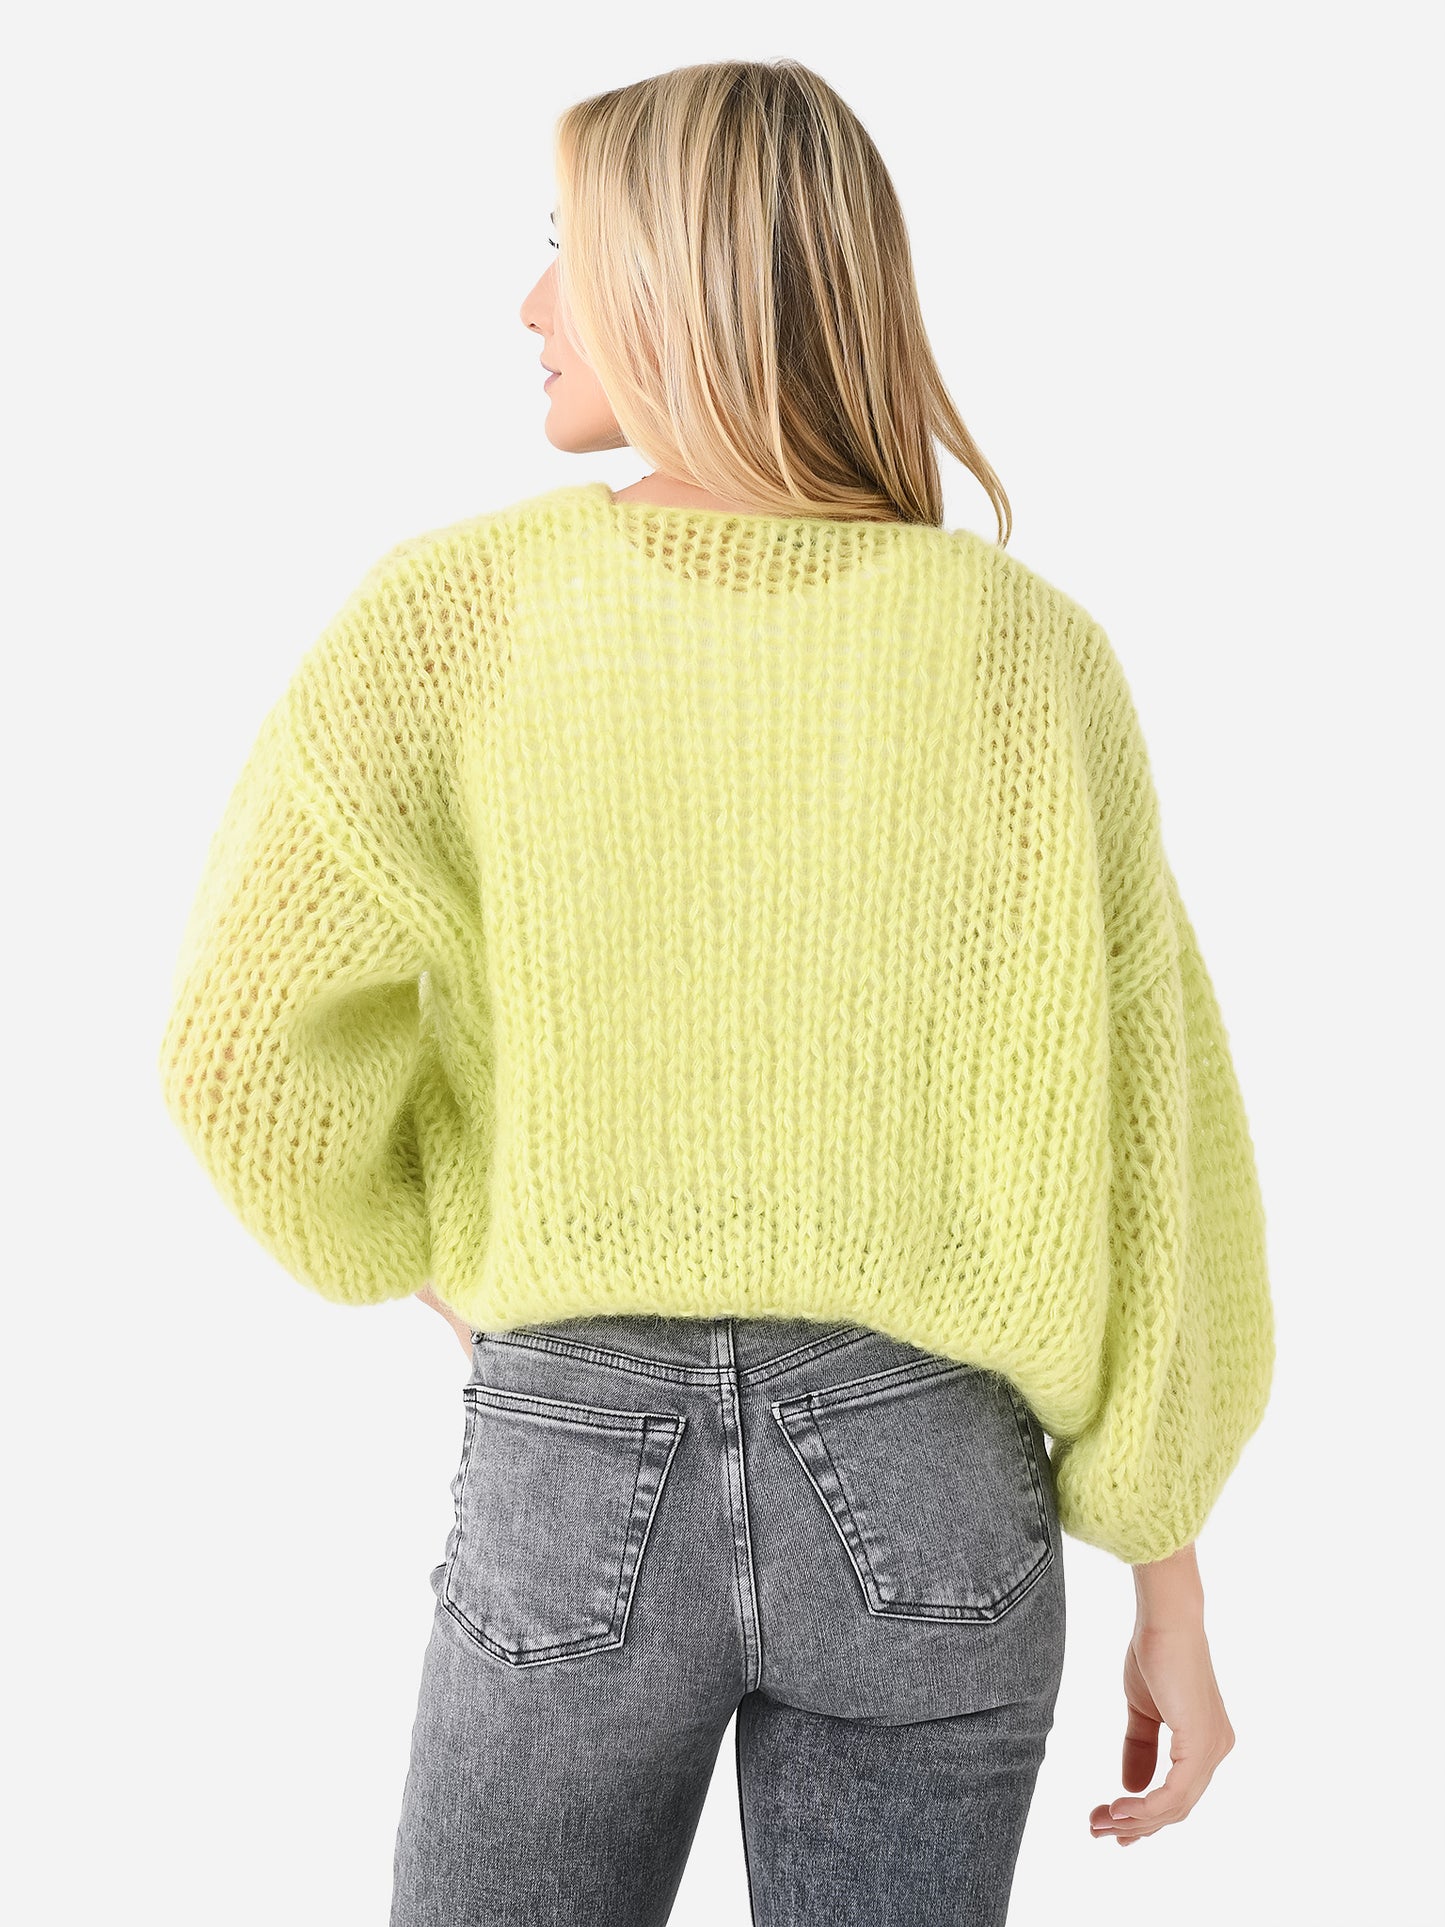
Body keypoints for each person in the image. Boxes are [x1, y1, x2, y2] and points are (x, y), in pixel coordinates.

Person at [157, 57, 1274, 1927]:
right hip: (932, 1484)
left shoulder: (454, 615)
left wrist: (459, 1274)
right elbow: (1161, 1150)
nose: (528, 302)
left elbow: (240, 1052)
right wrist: (1168, 1574)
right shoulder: (1026, 653)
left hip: (571, 1451)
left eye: (563, 248)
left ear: (682, 276)